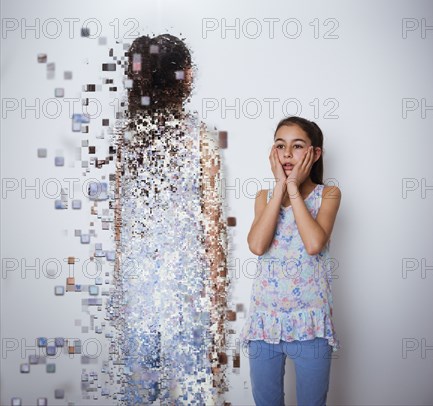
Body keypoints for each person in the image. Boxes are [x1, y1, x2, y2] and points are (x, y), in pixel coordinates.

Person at [108, 34, 228, 405]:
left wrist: (122, 290)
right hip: (186, 295)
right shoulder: (199, 138)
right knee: (194, 391)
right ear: (182, 77)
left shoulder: (127, 140)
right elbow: (213, 229)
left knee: (140, 394)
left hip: (139, 294)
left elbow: (119, 228)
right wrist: (219, 307)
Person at [239, 116, 341, 406]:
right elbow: (257, 245)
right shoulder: (263, 197)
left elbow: (313, 243)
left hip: (310, 324)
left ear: (315, 153)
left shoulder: (329, 194)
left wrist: (294, 188)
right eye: (280, 146)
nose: (287, 154)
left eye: (297, 146)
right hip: (264, 324)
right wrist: (279, 188)